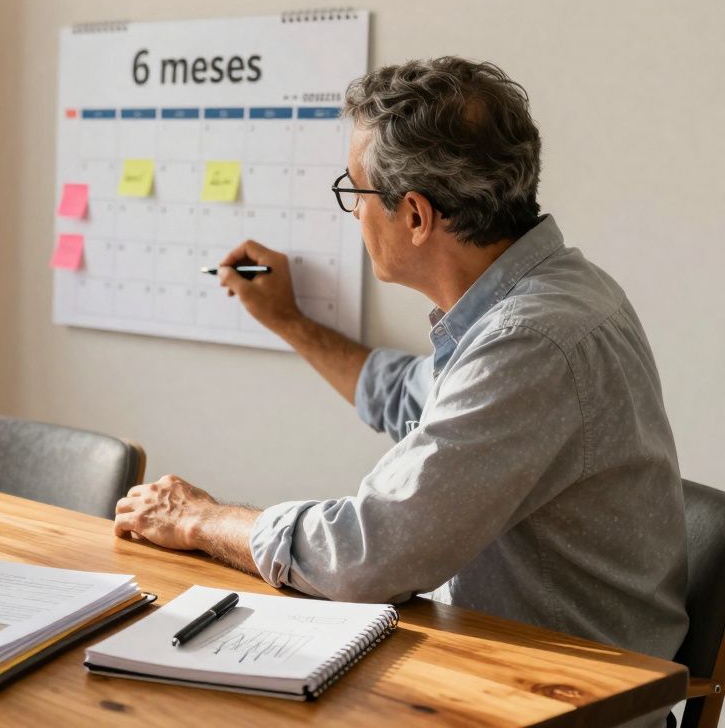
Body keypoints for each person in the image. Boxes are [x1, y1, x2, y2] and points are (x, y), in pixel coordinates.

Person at [113, 57, 688, 674]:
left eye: (354, 191)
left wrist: (199, 519)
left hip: (567, 696)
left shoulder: (530, 340)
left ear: (415, 215)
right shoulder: (554, 291)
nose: (354, 212)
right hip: (506, 667)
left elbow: (364, 557)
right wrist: (289, 321)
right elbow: (405, 394)